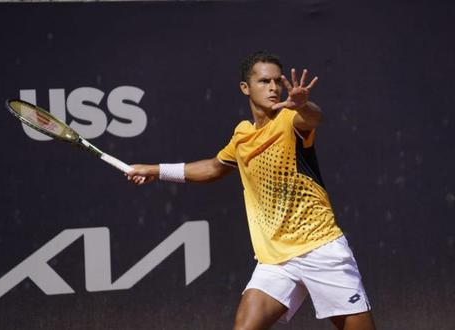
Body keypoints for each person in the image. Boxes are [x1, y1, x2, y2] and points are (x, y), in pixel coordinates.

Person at [126, 51, 376, 330]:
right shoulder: (242, 134)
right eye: (264, 81)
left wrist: (304, 105)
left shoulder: (290, 119)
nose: (273, 88)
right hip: (275, 260)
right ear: (245, 87)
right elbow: (213, 167)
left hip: (320, 249)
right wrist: (154, 170)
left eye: (277, 82)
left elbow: (313, 119)